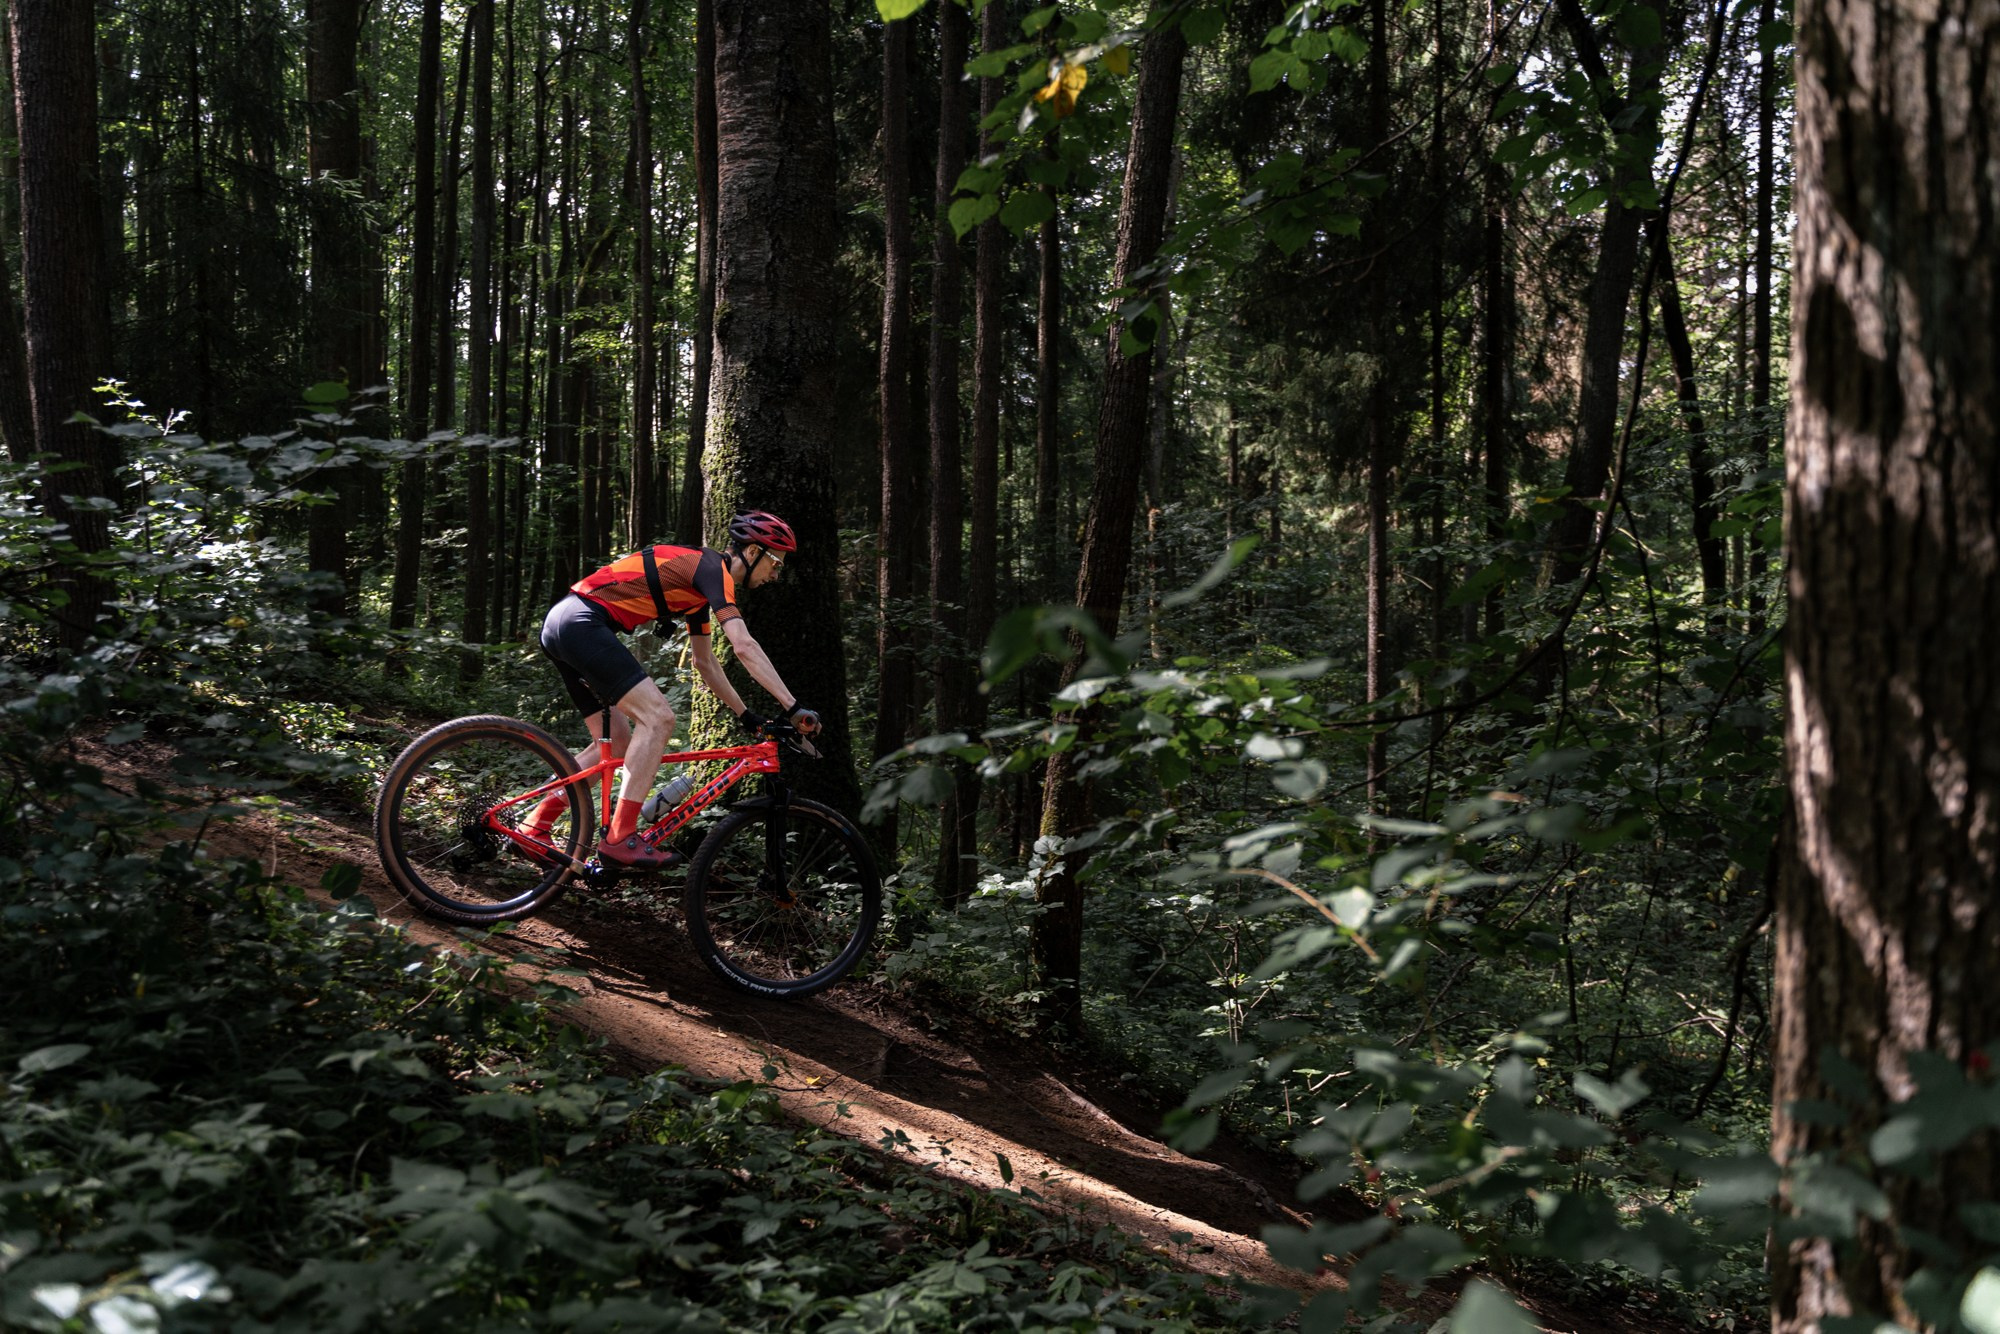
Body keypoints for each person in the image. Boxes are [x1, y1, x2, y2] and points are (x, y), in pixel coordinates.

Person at [534, 510, 822, 869]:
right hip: (581, 622)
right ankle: (620, 837)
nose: (775, 574)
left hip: (564, 622)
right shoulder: (711, 569)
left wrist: (746, 715)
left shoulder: (699, 591)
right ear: (751, 553)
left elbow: (705, 663)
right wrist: (793, 707)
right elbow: (743, 645)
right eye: (775, 562)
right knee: (658, 718)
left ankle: (538, 825)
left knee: (617, 743)